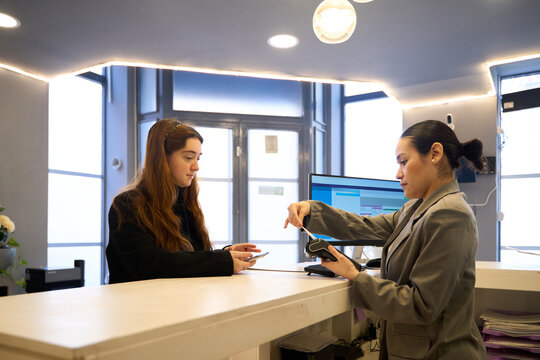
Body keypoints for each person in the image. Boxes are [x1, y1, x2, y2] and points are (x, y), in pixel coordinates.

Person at [285, 120, 487, 359]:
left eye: (403, 161)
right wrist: (312, 210)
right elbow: (364, 226)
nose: (398, 173)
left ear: (435, 154)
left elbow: (421, 305)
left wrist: (356, 276)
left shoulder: (450, 214)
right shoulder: (416, 209)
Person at [107, 119, 260, 284]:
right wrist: (220, 260)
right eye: (188, 157)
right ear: (162, 159)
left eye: (198, 159)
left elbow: (187, 260)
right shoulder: (127, 205)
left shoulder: (185, 204)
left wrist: (226, 254)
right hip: (140, 306)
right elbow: (150, 265)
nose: (196, 167)